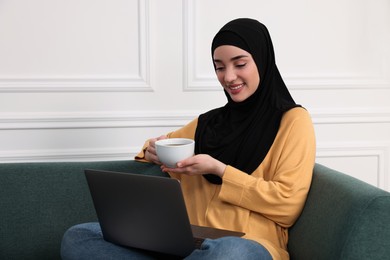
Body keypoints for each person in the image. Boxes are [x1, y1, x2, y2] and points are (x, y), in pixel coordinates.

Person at [61, 18, 316, 260]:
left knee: (229, 253)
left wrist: (220, 169)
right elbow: (157, 146)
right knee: (80, 237)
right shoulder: (208, 123)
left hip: (248, 245)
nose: (228, 77)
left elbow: (287, 205)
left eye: (240, 64)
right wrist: (153, 150)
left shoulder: (292, 121)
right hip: (187, 243)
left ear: (262, 60)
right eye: (219, 67)